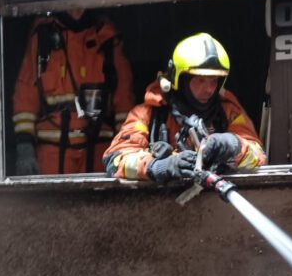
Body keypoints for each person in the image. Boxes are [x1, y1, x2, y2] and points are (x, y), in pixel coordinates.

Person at [103, 32, 266, 182]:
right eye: (201, 80)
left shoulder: (228, 112)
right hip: (159, 204)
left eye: (214, 81)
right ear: (180, 80)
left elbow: (258, 156)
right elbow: (116, 159)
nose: (209, 89)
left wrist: (232, 145)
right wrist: (160, 166)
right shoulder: (148, 114)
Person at [12, 9, 135, 174]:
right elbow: (25, 96)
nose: (76, 8)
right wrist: (25, 147)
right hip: (51, 157)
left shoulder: (107, 38)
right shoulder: (43, 36)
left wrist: (125, 149)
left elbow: (124, 103)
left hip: (99, 153)